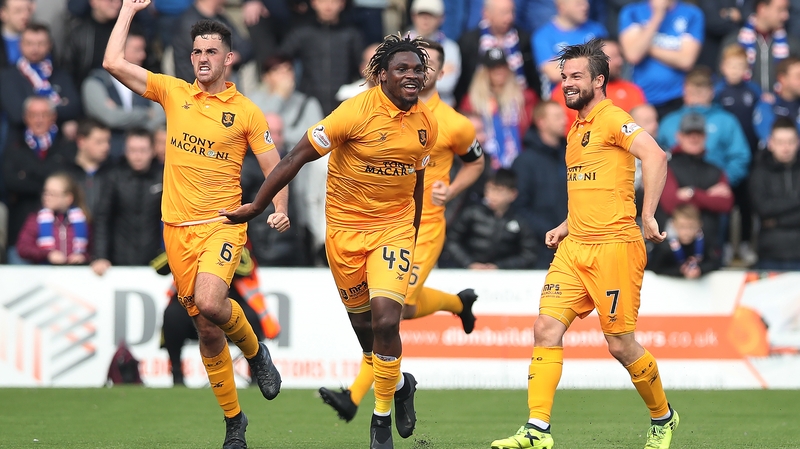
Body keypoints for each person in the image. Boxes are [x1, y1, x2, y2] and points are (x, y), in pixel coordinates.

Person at [221, 34, 438, 449]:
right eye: (402, 69)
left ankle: (380, 422)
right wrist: (257, 206)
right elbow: (293, 158)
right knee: (367, 335)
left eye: (417, 69)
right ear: (381, 77)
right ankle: (402, 382)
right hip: (344, 233)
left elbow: (418, 177)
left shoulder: (427, 122)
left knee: (388, 319)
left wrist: (411, 231)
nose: (412, 76)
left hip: (392, 231)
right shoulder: (350, 114)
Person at [103, 1, 287, 446]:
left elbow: (275, 166)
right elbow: (111, 62)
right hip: (177, 230)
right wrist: (128, 10)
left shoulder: (246, 112)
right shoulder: (174, 92)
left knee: (210, 302)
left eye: (211, 51)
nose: (202, 58)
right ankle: (234, 423)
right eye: (196, 51)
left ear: (229, 58)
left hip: (223, 224)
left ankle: (255, 352)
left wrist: (278, 208)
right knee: (206, 329)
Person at [490, 38, 678, 449]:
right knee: (545, 328)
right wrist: (566, 225)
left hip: (615, 247)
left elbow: (656, 156)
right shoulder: (575, 129)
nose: (567, 84)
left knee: (620, 345)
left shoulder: (614, 119)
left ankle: (663, 417)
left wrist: (647, 214)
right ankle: (537, 430)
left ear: (599, 79)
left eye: (576, 76)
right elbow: (591, 190)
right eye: (563, 77)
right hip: (576, 248)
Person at [317, 39, 485, 423]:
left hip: (420, 227)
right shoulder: (377, 110)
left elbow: (477, 163)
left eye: (427, 65)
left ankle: (356, 397)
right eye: (405, 67)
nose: (416, 72)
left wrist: (453, 189)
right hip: (375, 222)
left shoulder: (453, 122)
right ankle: (458, 305)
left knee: (393, 313)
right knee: (393, 311)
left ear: (440, 72)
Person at [90, 128, 163, 276]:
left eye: (143, 150)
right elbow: (102, 219)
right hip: (117, 262)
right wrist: (101, 256)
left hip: (156, 264)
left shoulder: (163, 177)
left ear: (153, 151)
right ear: (125, 151)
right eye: (133, 150)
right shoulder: (113, 178)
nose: (138, 156)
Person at [618, 0, 704, 118]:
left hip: (677, 98)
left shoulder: (692, 14)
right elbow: (633, 55)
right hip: (641, 99)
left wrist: (645, 46)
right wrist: (657, 15)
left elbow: (686, 61)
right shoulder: (632, 12)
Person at [445, 167, 537, 269]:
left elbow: (529, 254)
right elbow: (452, 241)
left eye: (499, 191)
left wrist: (500, 267)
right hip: (467, 273)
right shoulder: (472, 214)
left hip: (504, 277)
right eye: (489, 189)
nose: (492, 195)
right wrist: (469, 263)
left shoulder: (520, 222)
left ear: (513, 194)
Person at [749, 117, 800, 270]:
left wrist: (777, 221)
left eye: (790, 142)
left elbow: (770, 210)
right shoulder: (758, 172)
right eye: (780, 142)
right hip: (771, 253)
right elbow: (763, 209)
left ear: (798, 142)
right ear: (770, 143)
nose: (786, 148)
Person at [16, 172, 90, 265]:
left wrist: (83, 256)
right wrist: (47, 254)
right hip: (45, 273)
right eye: (45, 192)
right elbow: (23, 248)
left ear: (68, 198)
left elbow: (93, 248)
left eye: (52, 193)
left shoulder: (83, 219)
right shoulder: (36, 219)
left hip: (75, 273)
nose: (46, 197)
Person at [646, 203, 721, 278]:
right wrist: (680, 271)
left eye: (691, 227)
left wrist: (700, 270)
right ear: (673, 224)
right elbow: (655, 268)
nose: (686, 232)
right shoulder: (665, 248)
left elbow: (716, 263)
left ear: (699, 224)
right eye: (682, 227)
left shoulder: (706, 243)